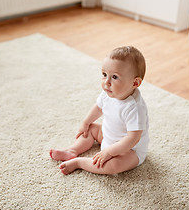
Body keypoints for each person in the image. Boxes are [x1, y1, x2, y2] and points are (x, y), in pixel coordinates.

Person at [49, 46, 149, 175]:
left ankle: (80, 162)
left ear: (135, 83)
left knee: (113, 166)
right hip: (108, 135)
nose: (106, 82)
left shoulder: (134, 108)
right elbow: (98, 107)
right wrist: (85, 123)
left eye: (114, 77)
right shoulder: (108, 93)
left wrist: (109, 152)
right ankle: (72, 151)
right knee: (90, 129)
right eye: (104, 75)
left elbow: (132, 139)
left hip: (129, 150)